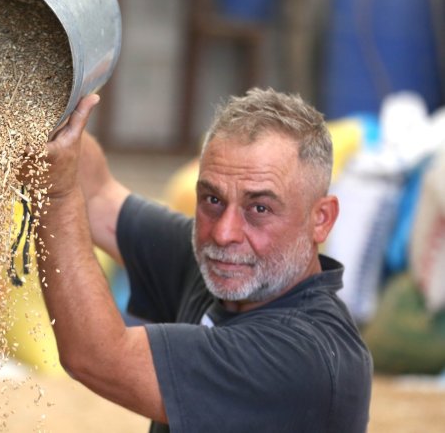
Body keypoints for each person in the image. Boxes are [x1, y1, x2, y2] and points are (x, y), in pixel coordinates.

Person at [33, 88, 373, 432]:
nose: (224, 234)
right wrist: (49, 95)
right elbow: (99, 196)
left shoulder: (302, 356)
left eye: (259, 208)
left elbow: (98, 357)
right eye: (212, 199)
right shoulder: (218, 268)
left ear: (321, 219)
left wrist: (56, 192)